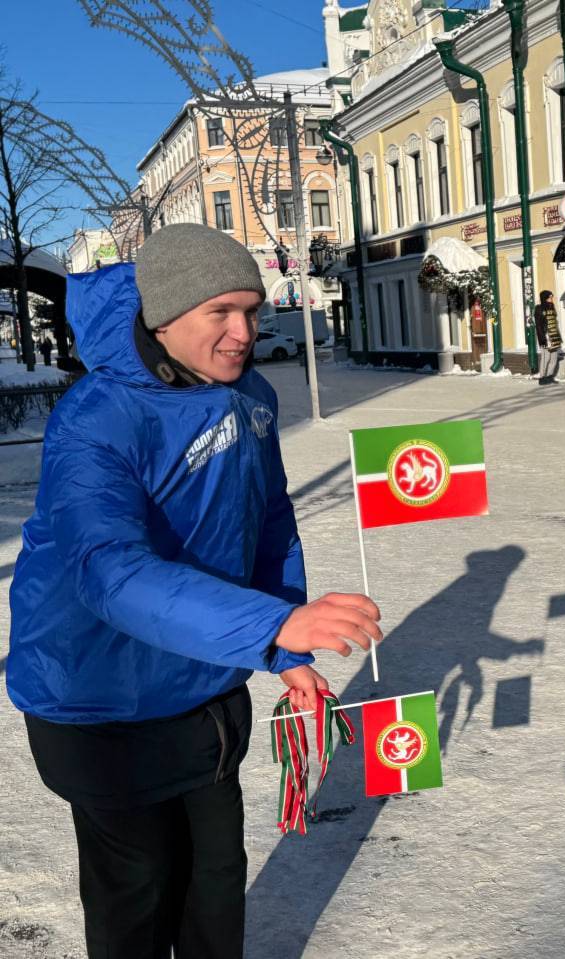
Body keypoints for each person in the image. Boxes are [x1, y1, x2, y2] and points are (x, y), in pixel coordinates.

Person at [7, 223, 383, 959]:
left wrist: (283, 648)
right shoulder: (97, 417)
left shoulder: (252, 397)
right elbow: (110, 572)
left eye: (253, 309)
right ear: (166, 315)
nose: (245, 331)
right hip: (100, 702)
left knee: (215, 882)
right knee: (137, 894)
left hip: (205, 692)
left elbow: (267, 523)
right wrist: (272, 626)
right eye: (222, 312)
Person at [534, 290, 563, 385]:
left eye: (552, 297)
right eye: (550, 297)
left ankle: (549, 376)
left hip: (554, 336)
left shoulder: (552, 307)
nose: (551, 299)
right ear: (545, 298)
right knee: (545, 358)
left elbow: (555, 323)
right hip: (546, 337)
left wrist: (559, 337)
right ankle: (542, 377)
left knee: (554, 358)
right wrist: (542, 339)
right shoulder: (539, 308)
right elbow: (538, 326)